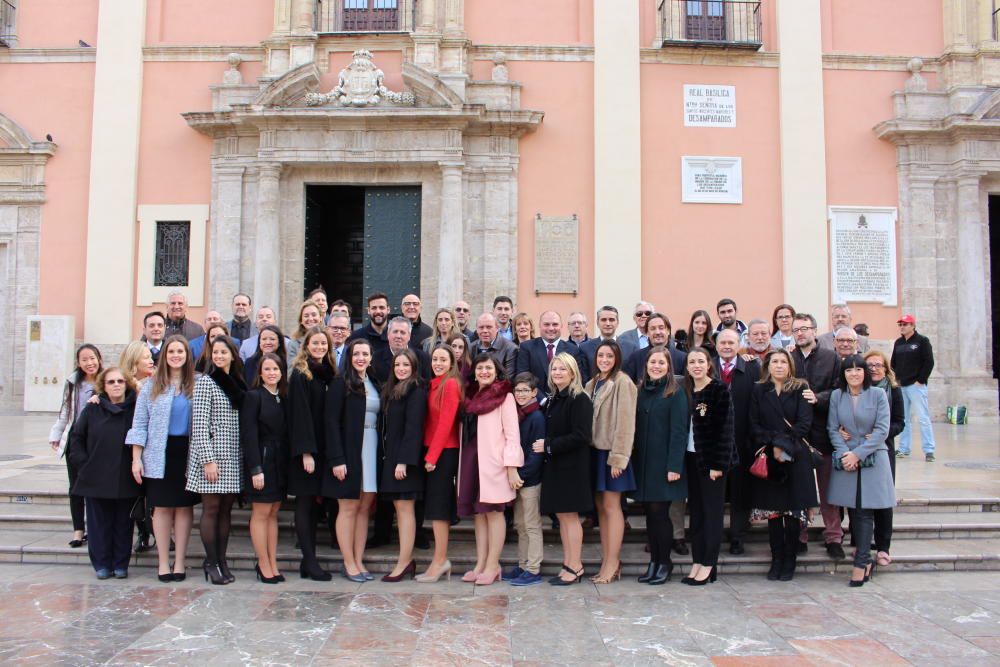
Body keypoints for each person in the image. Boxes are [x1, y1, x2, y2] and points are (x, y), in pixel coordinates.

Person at [126, 335, 199, 582]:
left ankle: (180, 561)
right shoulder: (151, 385)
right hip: (159, 452)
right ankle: (163, 563)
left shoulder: (198, 383)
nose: (176, 355)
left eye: (181, 351)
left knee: (184, 507)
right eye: (171, 352)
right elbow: (139, 424)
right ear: (164, 356)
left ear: (188, 355)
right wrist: (136, 458)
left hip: (187, 452)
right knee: (162, 507)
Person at [749, 349, 817, 582]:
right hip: (770, 458)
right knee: (774, 514)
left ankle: (790, 561)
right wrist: (774, 445)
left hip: (795, 456)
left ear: (790, 366)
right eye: (774, 362)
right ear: (767, 366)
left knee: (792, 513)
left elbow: (804, 423)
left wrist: (784, 445)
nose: (779, 365)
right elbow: (754, 423)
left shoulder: (800, 388)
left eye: (783, 362)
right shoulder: (759, 389)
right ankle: (776, 559)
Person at [827, 355, 894, 587]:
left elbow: (882, 429)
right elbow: (833, 428)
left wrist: (858, 454)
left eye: (858, 370)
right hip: (846, 460)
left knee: (865, 511)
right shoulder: (837, 396)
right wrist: (846, 453)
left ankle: (861, 562)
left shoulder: (878, 395)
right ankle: (864, 561)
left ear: (865, 373)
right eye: (849, 370)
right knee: (854, 511)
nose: (854, 374)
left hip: (872, 458)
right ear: (843, 374)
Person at [457, 353, 523, 586]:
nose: (484, 372)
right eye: (480, 368)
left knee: (494, 514)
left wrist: (511, 467)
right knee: (479, 515)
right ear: (474, 372)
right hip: (472, 461)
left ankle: (493, 564)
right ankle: (480, 563)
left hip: (494, 464)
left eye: (488, 368)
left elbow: (512, 434)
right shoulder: (470, 397)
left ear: (496, 371)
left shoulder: (505, 397)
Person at [69, 367, 139, 579]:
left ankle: (120, 563)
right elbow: (77, 438)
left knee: (123, 524)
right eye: (111, 382)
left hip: (125, 476)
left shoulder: (136, 408)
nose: (116, 385)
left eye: (120, 381)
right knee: (99, 523)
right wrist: (85, 465)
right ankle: (101, 563)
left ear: (126, 384)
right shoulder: (92, 409)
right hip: (96, 476)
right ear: (103, 386)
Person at [187, 336, 246, 585]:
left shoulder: (239, 383)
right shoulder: (205, 383)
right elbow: (199, 426)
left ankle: (221, 560)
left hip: (234, 455)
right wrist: (208, 460)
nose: (219, 356)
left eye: (224, 352)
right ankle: (210, 562)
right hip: (212, 458)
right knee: (211, 509)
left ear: (233, 354)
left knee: (226, 511)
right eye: (216, 352)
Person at [533, 353, 593, 585]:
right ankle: (568, 563)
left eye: (562, 369)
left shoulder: (579, 399)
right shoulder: (554, 398)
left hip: (572, 467)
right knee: (562, 516)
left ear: (572, 372)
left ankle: (575, 565)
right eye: (554, 369)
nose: (557, 372)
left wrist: (548, 445)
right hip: (556, 466)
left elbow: (581, 436)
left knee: (570, 518)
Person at [631, 345, 688, 584]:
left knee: (661, 515)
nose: (656, 366)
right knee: (650, 516)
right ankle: (654, 561)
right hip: (644, 464)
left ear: (669, 367)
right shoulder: (640, 390)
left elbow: (679, 432)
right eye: (653, 362)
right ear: (646, 365)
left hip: (665, 466)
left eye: (661, 363)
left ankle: (664, 562)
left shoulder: (675, 392)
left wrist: (674, 466)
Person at [790, 313, 844, 559]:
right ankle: (800, 535)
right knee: (801, 489)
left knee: (828, 489)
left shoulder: (831, 358)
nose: (800, 333)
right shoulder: (788, 359)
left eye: (804, 328)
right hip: (798, 435)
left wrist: (818, 398)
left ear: (814, 330)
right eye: (796, 330)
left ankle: (833, 536)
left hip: (823, 432)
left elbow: (839, 391)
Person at [325, 338, 379, 582]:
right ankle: (348, 563)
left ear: (370, 357)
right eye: (356, 353)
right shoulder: (340, 382)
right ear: (348, 356)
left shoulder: (373, 381)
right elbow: (331, 423)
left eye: (365, 353)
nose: (360, 358)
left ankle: (359, 559)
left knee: (364, 507)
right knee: (347, 507)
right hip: (349, 451)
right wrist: (337, 458)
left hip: (372, 446)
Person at [583, 340, 637, 584]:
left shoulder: (623, 382)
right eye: (600, 355)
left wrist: (619, 457)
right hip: (594, 453)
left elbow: (626, 423)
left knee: (612, 507)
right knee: (601, 509)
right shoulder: (592, 383)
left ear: (617, 358)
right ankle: (607, 559)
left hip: (612, 453)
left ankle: (614, 561)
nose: (604, 360)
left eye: (609, 356)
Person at [287, 326, 337, 581]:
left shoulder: (328, 374)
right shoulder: (301, 374)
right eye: (315, 343)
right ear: (306, 346)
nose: (319, 347)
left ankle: (309, 562)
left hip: (324, 449)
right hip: (306, 451)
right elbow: (300, 415)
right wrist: (306, 452)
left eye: (323, 344)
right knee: (305, 504)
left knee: (316, 505)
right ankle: (309, 561)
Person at [681, 348, 734, 586]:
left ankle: (709, 564)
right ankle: (697, 560)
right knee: (697, 514)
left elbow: (726, 430)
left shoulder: (718, 390)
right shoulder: (687, 390)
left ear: (708, 364)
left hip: (712, 462)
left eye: (700, 361)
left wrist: (718, 464)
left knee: (712, 514)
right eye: (692, 362)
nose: (696, 365)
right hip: (691, 459)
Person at [377, 349, 428, 582]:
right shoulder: (392, 390)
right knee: (400, 509)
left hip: (404, 461)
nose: (401, 369)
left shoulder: (416, 391)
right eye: (398, 365)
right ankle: (405, 560)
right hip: (393, 459)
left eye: (406, 365)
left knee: (405, 510)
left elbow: (414, 429)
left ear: (414, 367)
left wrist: (404, 462)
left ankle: (405, 562)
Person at [240, 352, 290, 584]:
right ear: (260, 373)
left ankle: (273, 561)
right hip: (262, 460)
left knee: (273, 513)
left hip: (280, 461)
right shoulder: (254, 396)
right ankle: (263, 563)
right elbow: (249, 435)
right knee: (261, 513)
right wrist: (255, 469)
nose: (272, 373)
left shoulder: (283, 396)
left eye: (276, 369)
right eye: (267, 369)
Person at [416, 344, 463, 583]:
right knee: (434, 510)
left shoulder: (451, 384)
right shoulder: (434, 383)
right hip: (433, 451)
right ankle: (438, 560)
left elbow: (446, 423)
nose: (438, 363)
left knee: (439, 510)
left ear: (452, 362)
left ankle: (440, 560)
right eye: (435, 359)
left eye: (443, 359)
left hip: (443, 453)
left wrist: (432, 457)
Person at [50, 343, 103, 549]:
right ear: (79, 363)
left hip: (96, 439)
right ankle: (78, 529)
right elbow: (66, 411)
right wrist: (57, 433)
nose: (90, 363)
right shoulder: (73, 383)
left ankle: (93, 527)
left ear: (99, 359)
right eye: (85, 359)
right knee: (75, 486)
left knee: (95, 485)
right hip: (75, 439)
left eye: (93, 358)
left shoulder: (106, 381)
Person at [714, 330, 759, 555]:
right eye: (723, 342)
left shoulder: (752, 368)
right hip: (713, 440)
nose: (727, 346)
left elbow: (756, 402)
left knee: (740, 491)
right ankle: (712, 533)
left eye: (731, 342)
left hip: (742, 438)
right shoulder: (708, 366)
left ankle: (737, 536)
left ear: (739, 344)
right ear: (716, 345)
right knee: (715, 489)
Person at [863, 349, 905, 566]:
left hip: (883, 449)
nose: (874, 369)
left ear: (886, 368)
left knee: (883, 499)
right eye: (870, 366)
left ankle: (883, 546)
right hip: (860, 448)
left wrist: (882, 432)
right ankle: (863, 542)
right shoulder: (859, 391)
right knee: (863, 498)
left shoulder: (894, 391)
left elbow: (900, 422)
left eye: (878, 365)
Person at [505, 372, 546, 586]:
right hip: (517, 479)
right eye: (517, 390)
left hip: (530, 480)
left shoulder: (536, 416)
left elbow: (535, 453)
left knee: (531, 525)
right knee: (520, 524)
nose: (520, 394)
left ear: (534, 392)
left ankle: (533, 568)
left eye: (525, 390)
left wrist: (521, 475)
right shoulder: (518, 414)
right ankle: (522, 564)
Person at [116, 341, 157, 553]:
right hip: (129, 446)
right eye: (146, 357)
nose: (151, 360)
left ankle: (150, 531)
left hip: (150, 445)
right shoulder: (125, 386)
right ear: (134, 361)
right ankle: (143, 532)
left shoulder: (155, 382)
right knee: (137, 493)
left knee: (148, 493)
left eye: (151, 356)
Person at [891, 314, 936, 461]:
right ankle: (904, 448)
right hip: (901, 386)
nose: (902, 327)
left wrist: (921, 380)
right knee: (904, 419)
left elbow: (928, 362)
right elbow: (893, 363)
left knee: (923, 418)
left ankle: (929, 450)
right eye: (901, 324)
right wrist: (896, 380)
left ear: (913, 326)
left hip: (916, 386)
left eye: (905, 324)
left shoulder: (922, 341)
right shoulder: (898, 343)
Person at [516, 311, 585, 388]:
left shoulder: (573, 350)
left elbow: (576, 380)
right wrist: (542, 399)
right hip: (536, 398)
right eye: (546, 324)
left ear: (561, 326)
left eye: (555, 324)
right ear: (540, 326)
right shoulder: (526, 347)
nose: (551, 328)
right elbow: (523, 378)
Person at [623, 313, 687, 383]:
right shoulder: (636, 358)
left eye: (661, 328)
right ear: (647, 333)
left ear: (668, 331)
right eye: (653, 328)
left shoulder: (682, 358)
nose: (657, 332)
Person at [579, 306, 639, 373]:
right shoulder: (585, 348)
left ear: (617, 323)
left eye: (611, 320)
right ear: (597, 323)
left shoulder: (631, 348)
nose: (608, 323)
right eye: (603, 320)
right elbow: (584, 376)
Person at [473, 313, 518, 379]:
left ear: (497, 328)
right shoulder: (471, 347)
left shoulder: (510, 349)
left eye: (489, 327)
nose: (485, 331)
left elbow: (508, 380)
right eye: (481, 327)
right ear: (476, 329)